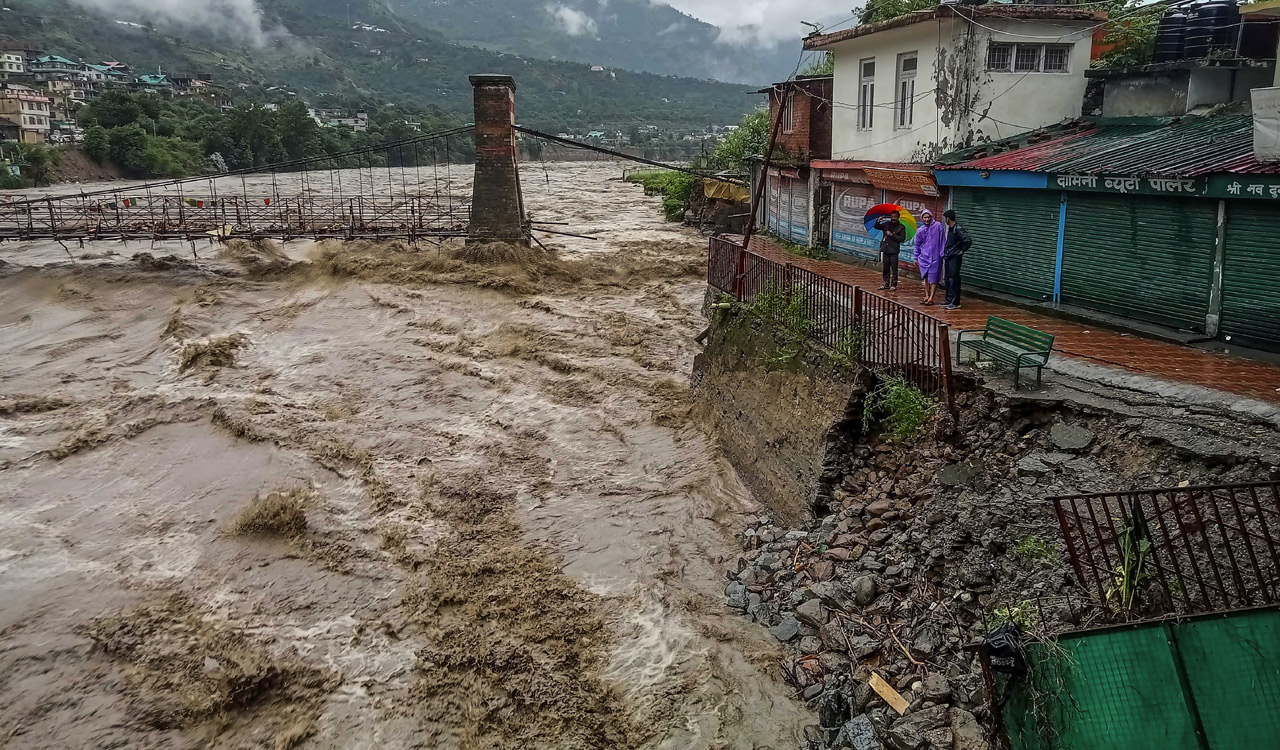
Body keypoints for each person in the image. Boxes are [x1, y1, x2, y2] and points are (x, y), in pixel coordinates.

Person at [913, 208, 945, 305]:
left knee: (934, 278)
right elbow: (917, 245)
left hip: (936, 257)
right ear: (922, 218)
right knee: (925, 277)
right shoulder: (920, 230)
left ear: (931, 217)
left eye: (928, 217)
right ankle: (927, 295)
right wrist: (916, 257)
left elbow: (943, 241)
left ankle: (931, 297)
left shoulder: (938, 226)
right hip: (924, 257)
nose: (927, 219)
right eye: (925, 217)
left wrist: (942, 254)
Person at [942, 209, 971, 310]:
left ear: (948, 219)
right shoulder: (951, 228)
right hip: (949, 256)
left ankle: (956, 301)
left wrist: (962, 250)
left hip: (955, 257)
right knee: (948, 279)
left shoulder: (958, 228)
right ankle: (948, 299)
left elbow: (967, 240)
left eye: (945, 218)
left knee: (954, 279)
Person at [874, 210, 907, 291]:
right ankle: (886, 283)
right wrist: (878, 221)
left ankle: (893, 284)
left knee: (894, 269)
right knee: (885, 268)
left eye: (895, 217)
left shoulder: (901, 227)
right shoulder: (887, 224)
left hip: (894, 251)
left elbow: (902, 238)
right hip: (885, 249)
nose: (893, 218)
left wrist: (892, 235)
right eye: (892, 217)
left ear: (898, 217)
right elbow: (876, 227)